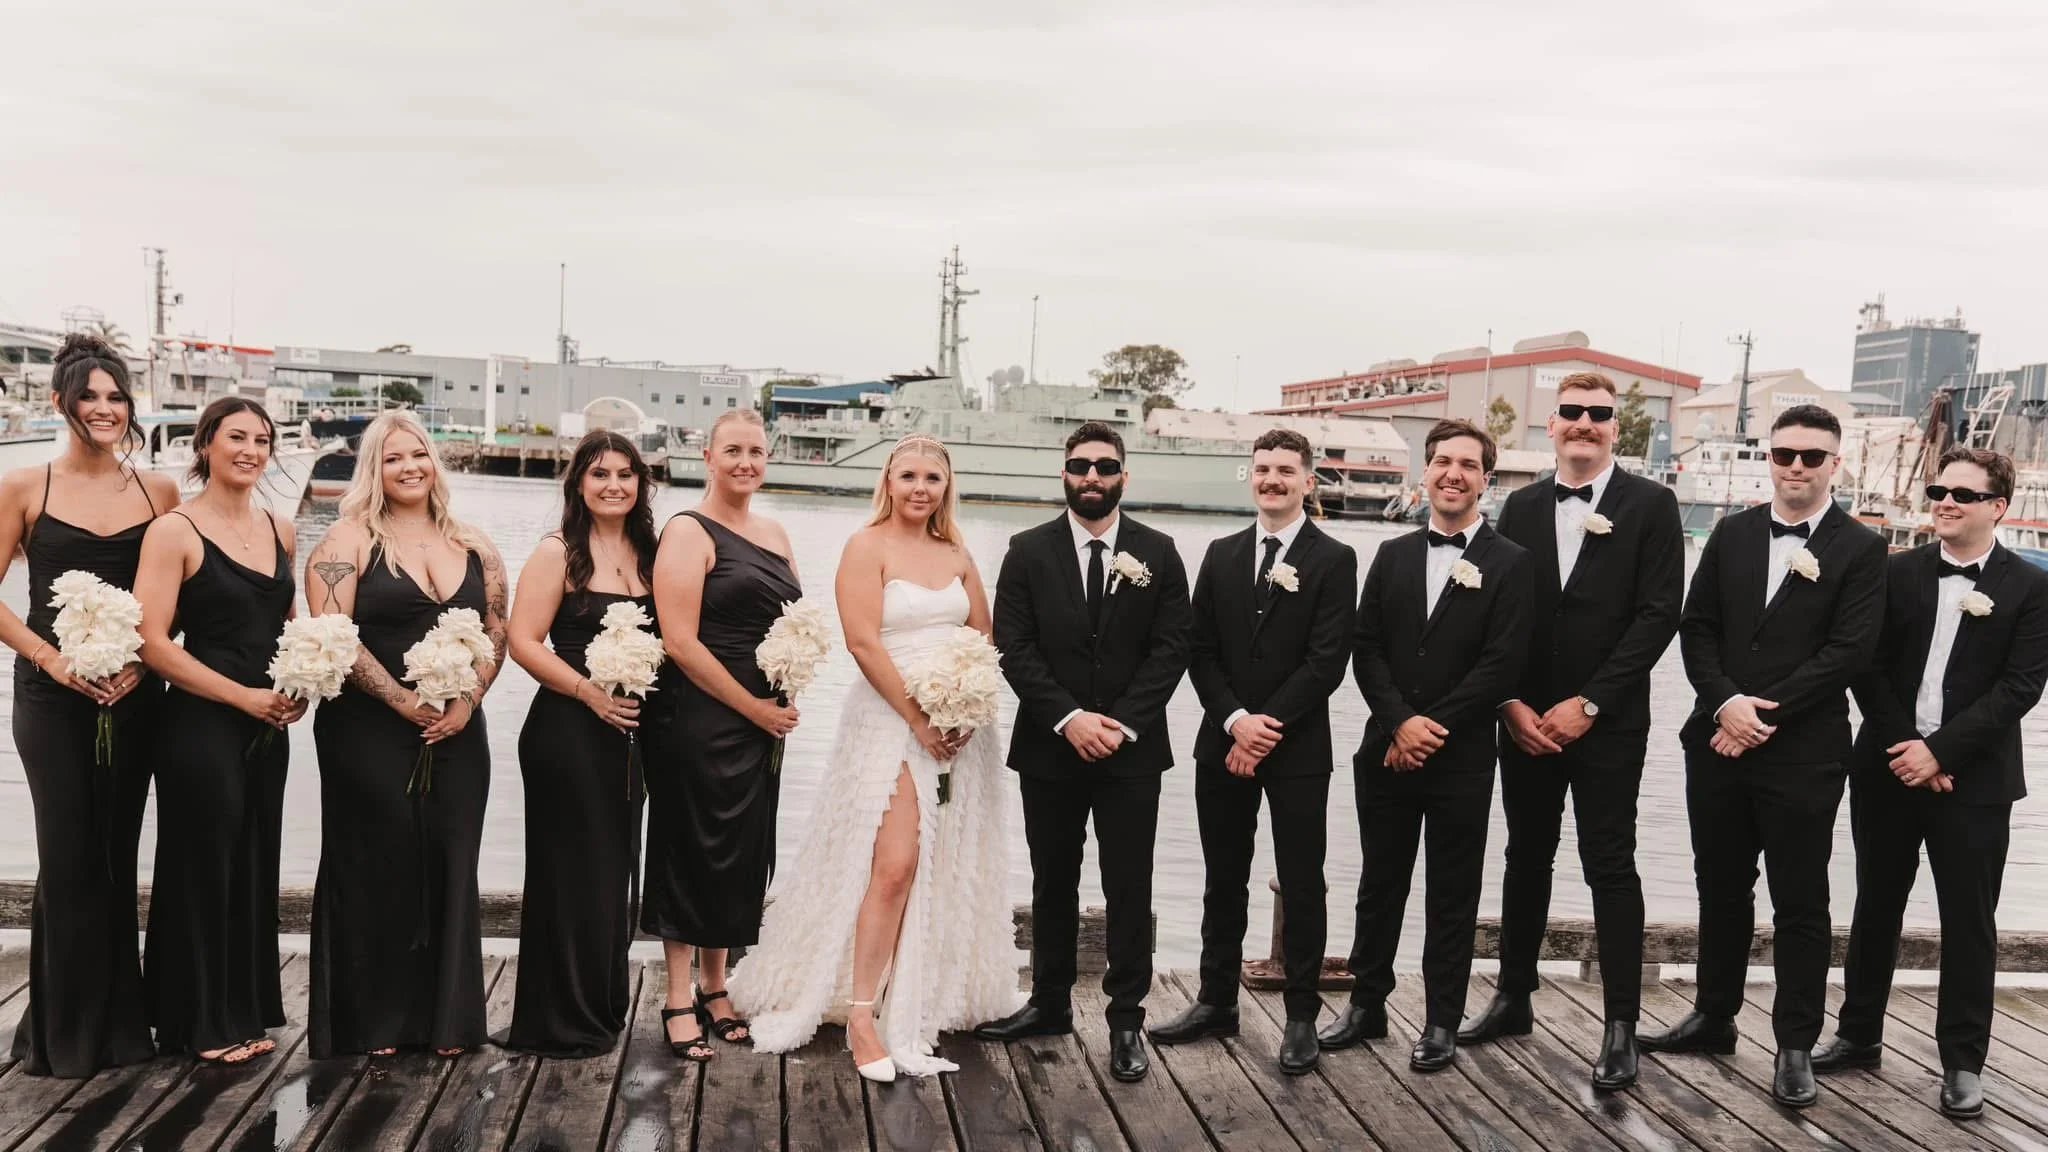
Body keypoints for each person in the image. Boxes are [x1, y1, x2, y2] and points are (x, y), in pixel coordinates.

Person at [731, 435, 1020, 1080]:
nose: (922, 488)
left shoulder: (958, 553)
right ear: (888, 481)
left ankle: (909, 1001)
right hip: (890, 721)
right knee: (892, 864)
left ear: (948, 487)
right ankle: (861, 1016)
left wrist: (963, 710)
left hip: (957, 728)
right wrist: (918, 718)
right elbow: (862, 642)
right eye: (910, 476)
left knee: (935, 863)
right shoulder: (866, 547)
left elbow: (982, 636)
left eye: (934, 479)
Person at [1641, 403, 1886, 1109]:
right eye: (1785, 455)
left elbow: (1850, 652)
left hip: (1803, 753)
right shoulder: (1733, 532)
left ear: (1835, 464)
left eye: (1812, 456)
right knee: (1719, 883)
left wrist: (1757, 714)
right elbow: (1697, 627)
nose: (1797, 467)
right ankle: (1715, 1016)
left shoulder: (1864, 550)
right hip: (1716, 740)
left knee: (1801, 900)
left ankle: (1794, 1044)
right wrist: (1725, 705)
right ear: (1770, 459)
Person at [1459, 372, 1684, 1091]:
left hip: (1607, 723)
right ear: (1548, 426)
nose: (1585, 423)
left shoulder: (1652, 504)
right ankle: (1513, 995)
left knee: (1609, 865)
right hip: (1525, 720)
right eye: (1572, 413)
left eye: (1600, 414)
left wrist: (1590, 704)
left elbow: (1657, 616)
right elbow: (1499, 617)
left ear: (1618, 428)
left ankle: (1621, 1026)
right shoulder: (1520, 506)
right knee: (1526, 856)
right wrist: (1510, 705)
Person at [1816, 446, 2048, 1120]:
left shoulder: (2032, 589)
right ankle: (1858, 1035)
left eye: (1962, 495)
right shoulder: (1894, 574)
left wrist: (1941, 753)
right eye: (1938, 490)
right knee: (1876, 904)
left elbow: (2019, 689)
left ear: (1998, 507)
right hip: (1887, 768)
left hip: (1974, 782)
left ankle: (1962, 1063)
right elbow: (1866, 666)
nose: (1944, 502)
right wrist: (1907, 749)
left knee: (1968, 921)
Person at [974, 421, 1192, 1085]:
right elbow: (1013, 646)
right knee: (1052, 882)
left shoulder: (1159, 549)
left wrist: (1120, 725)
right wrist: (1069, 719)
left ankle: (1127, 1019)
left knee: (1129, 885)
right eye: (1079, 466)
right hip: (1050, 747)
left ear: (1124, 475)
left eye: (1104, 466)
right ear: (1063, 474)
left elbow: (1172, 646)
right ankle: (1048, 1004)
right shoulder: (1026, 551)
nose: (1091, 477)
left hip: (1131, 753)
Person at [1320, 419, 1532, 1073]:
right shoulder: (1393, 556)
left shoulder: (1512, 564)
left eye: (1467, 465)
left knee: (1451, 890)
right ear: (1426, 472)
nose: (1452, 474)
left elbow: (1501, 666)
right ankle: (1366, 1004)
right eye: (1442, 461)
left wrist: (1428, 730)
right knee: (1379, 883)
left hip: (1461, 757)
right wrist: (1396, 724)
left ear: (1485, 480)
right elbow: (1366, 648)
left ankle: (1442, 1019)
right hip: (1384, 749)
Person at [1148, 428, 1355, 1076]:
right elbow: (1197, 648)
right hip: (1222, 743)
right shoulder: (1221, 553)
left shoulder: (1335, 557)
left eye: (1285, 470)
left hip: (1297, 749)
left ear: (1307, 480)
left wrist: (1267, 729)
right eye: (1263, 468)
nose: (1272, 479)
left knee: (1302, 881)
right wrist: (1235, 721)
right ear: (1252, 476)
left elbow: (1328, 660)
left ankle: (1300, 1016)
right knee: (1223, 878)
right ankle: (1215, 1002)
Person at [302, 410, 508, 1059]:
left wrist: (467, 699)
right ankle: (376, 1022)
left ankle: (447, 1022)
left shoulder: (474, 543)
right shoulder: (346, 542)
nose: (409, 467)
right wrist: (402, 701)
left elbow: (498, 628)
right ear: (375, 469)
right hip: (367, 733)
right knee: (377, 865)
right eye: (393, 458)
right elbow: (334, 635)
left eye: (418, 454)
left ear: (434, 461)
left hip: (458, 731)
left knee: (450, 863)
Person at [0, 334, 178, 1077]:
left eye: (116, 397)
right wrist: (50, 658)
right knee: (68, 858)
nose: (105, 410)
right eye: (90, 397)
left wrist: (142, 663)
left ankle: (121, 1029)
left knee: (114, 857)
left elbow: (179, 598)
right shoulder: (24, 486)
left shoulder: (158, 493)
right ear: (59, 403)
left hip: (135, 697)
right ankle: (61, 1038)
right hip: (52, 695)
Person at [135, 398, 303, 1064]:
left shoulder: (280, 528)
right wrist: (243, 697)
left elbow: (287, 624)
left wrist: (300, 684)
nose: (251, 450)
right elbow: (153, 642)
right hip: (202, 721)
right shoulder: (173, 531)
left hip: (269, 722)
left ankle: (243, 1006)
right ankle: (198, 1023)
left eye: (263, 440)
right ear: (205, 444)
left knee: (253, 862)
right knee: (203, 866)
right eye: (237, 437)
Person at [645, 409, 800, 1062]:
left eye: (756, 451)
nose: (745, 462)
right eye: (732, 450)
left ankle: (716, 987)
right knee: (689, 846)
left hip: (763, 723)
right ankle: (678, 997)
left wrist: (791, 685)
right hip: (699, 716)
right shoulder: (687, 531)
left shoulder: (775, 531)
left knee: (736, 853)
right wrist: (753, 708)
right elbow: (679, 642)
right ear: (707, 456)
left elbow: (794, 623)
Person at [504, 432, 660, 1058]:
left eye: (626, 474)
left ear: (641, 484)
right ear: (578, 484)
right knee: (568, 874)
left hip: (631, 739)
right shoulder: (558, 553)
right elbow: (523, 640)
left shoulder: (651, 552)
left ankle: (599, 1006)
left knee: (614, 872)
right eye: (600, 475)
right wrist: (589, 693)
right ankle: (556, 1018)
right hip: (566, 733)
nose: (614, 485)